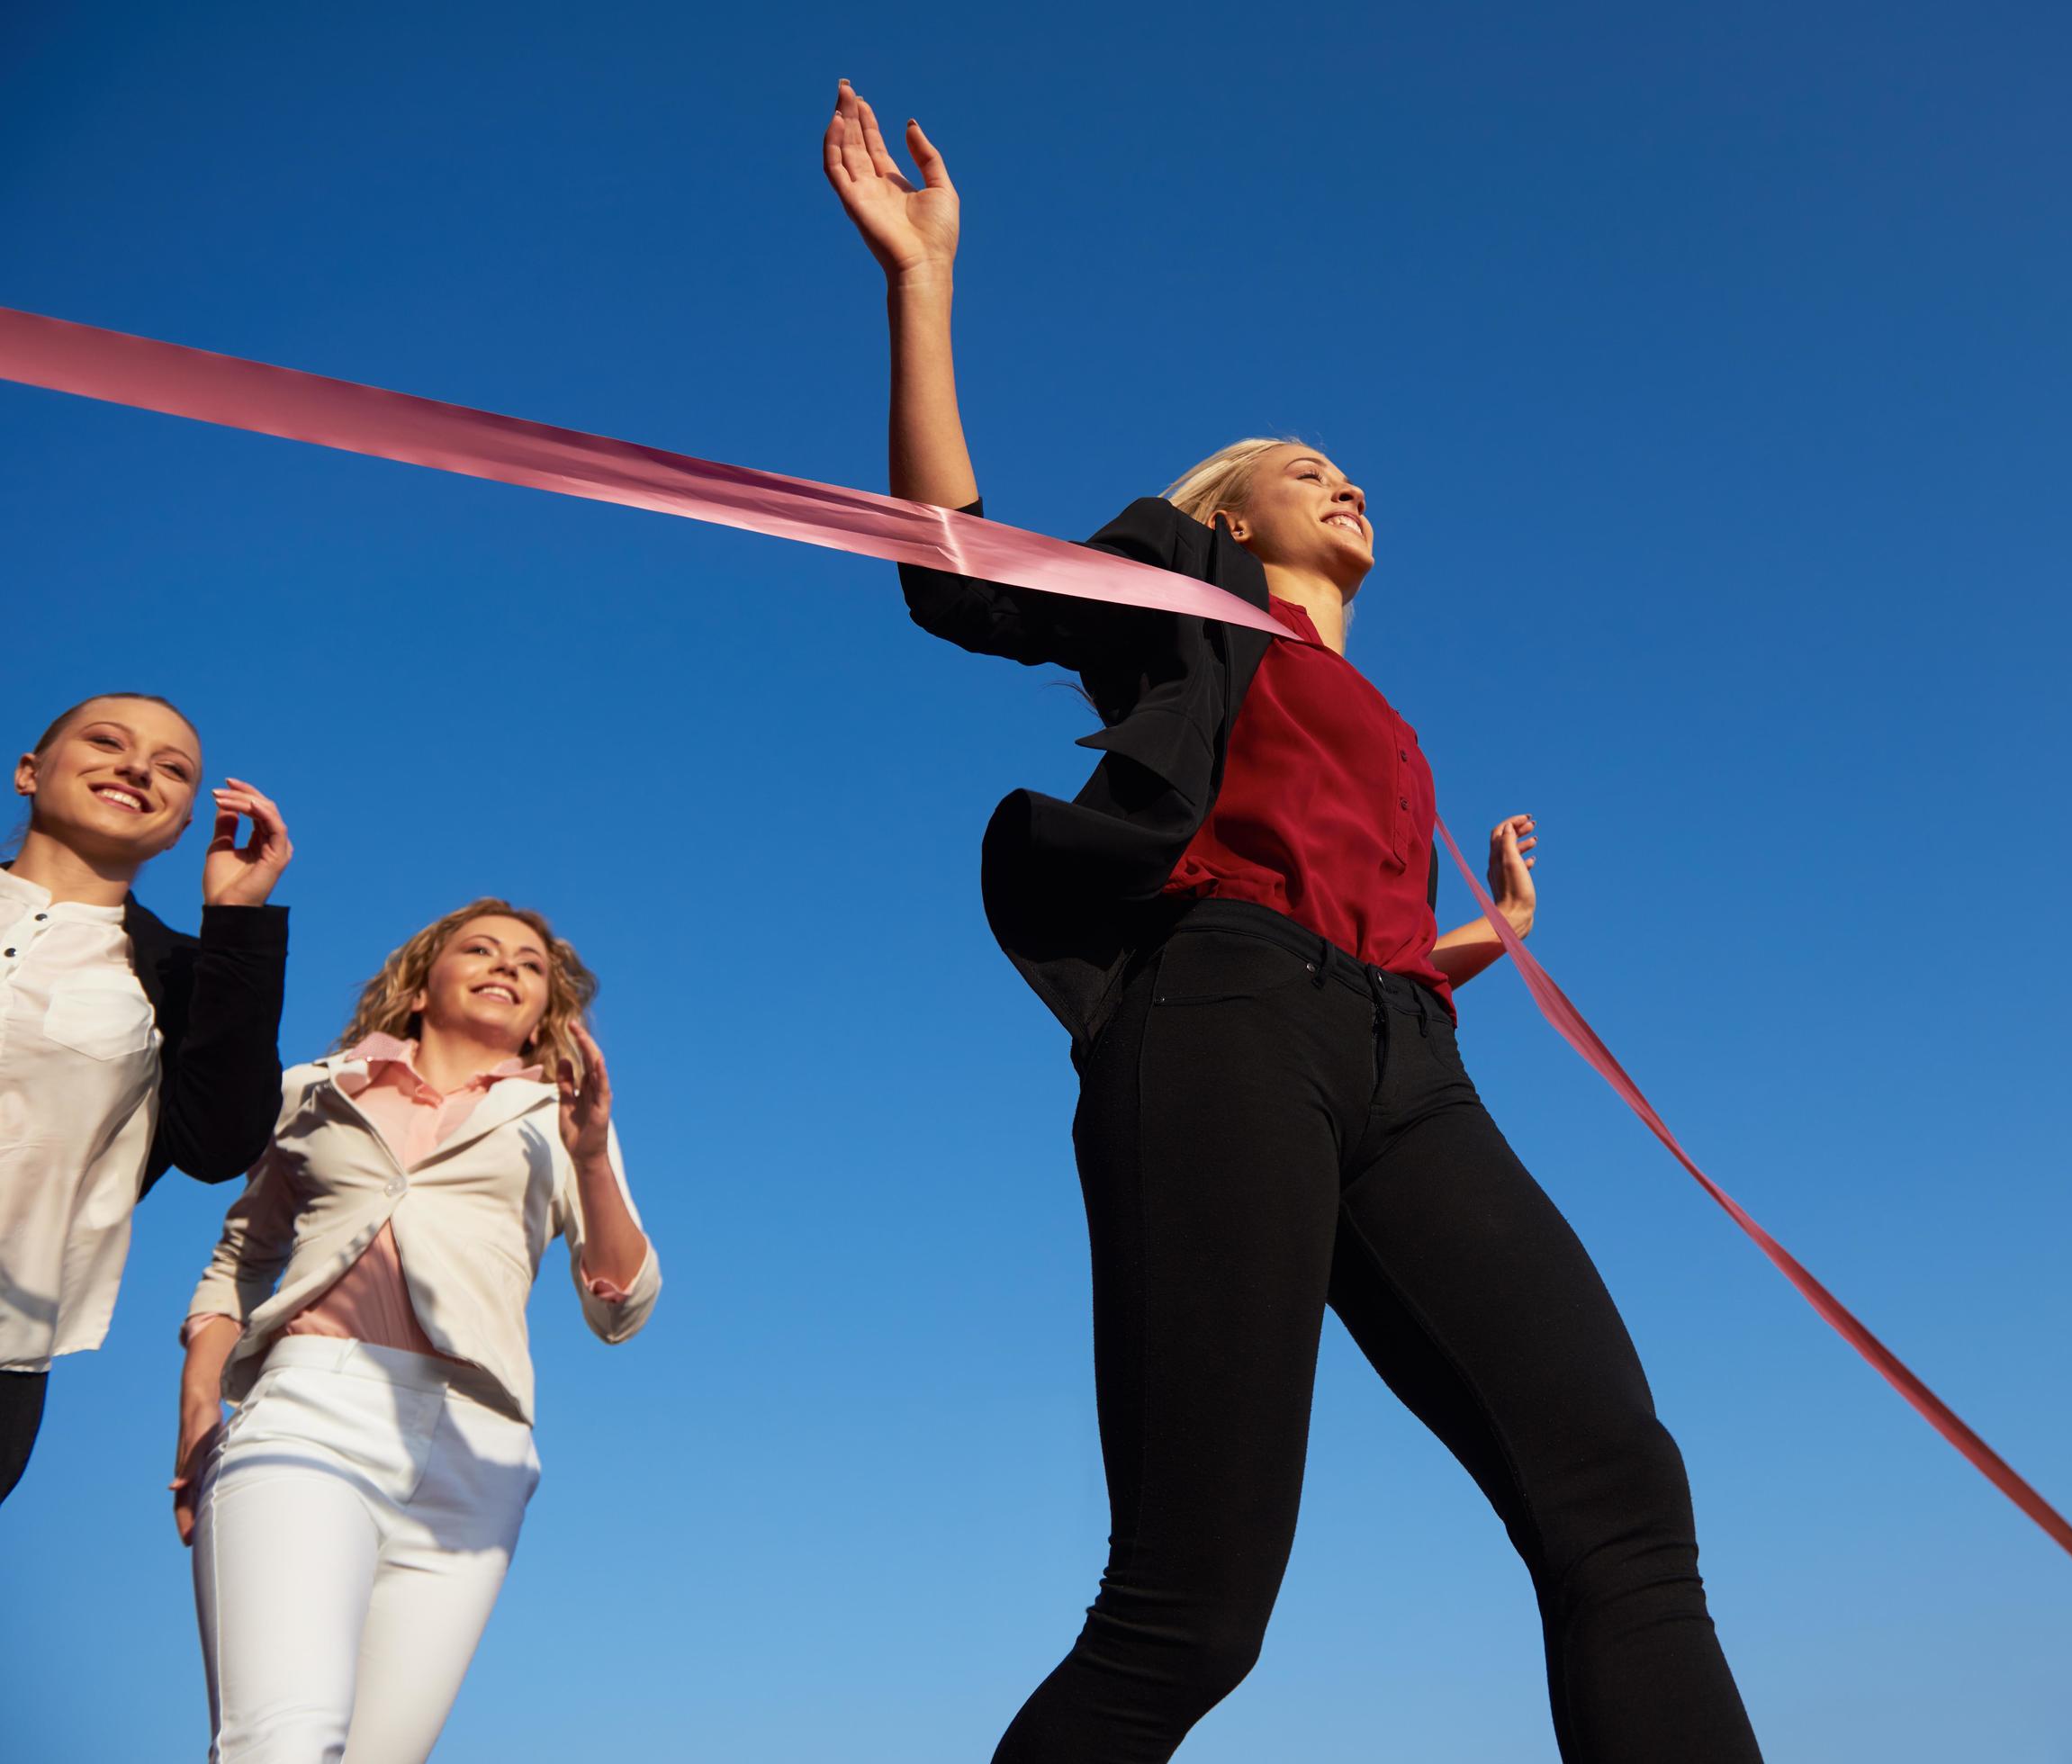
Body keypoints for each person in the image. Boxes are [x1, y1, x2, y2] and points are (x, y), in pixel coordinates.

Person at [823, 78, 1764, 1762]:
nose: (1339, 481)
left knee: (1622, 1501)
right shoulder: (1178, 605)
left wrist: (1476, 944)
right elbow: (948, 574)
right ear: (1227, 514)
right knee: (1194, 1608)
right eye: (1296, 468)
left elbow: (1341, 904)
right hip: (1224, 1030)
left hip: (1408, 1057)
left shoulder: (1371, 706)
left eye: (1345, 469)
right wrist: (920, 281)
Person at [173, 898, 660, 1764]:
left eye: (531, 965)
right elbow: (240, 1261)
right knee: (281, 1743)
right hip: (312, 1408)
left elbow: (618, 1308)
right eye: (479, 949)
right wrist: (199, 1413)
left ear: (548, 1008)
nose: (506, 966)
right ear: (419, 987)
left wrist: (589, 1157)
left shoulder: (562, 1119)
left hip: (481, 1451)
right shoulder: (314, 1092)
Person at [1, 692, 292, 1505]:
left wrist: (236, 922)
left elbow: (219, 1147)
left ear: (180, 824)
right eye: (107, 742)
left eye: (173, 770)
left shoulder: (180, 976)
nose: (138, 767)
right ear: (30, 771)